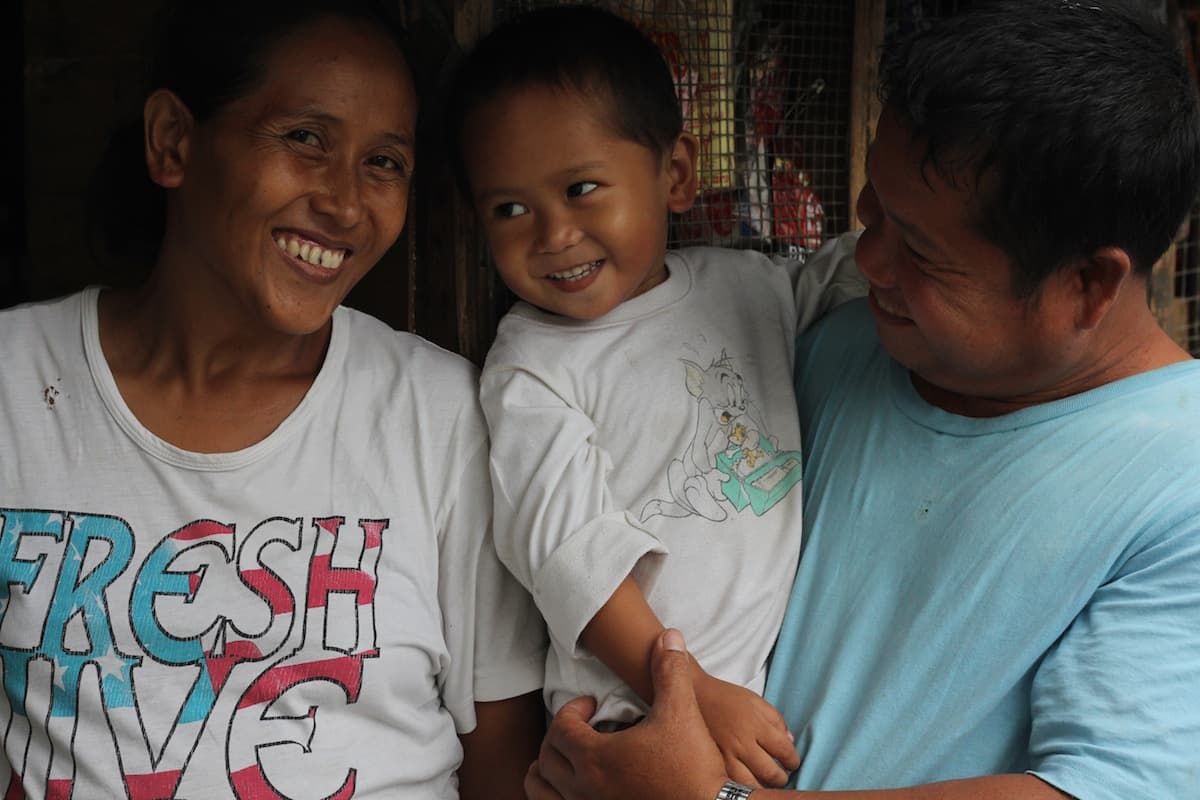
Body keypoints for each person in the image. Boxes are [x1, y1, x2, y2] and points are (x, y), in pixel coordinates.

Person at [524, 1, 1200, 799]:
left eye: (919, 249)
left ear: (1087, 284)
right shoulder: (842, 343)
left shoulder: (1177, 480)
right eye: (872, 210)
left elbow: (1107, 787)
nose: (868, 258)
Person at [0, 1, 546, 797]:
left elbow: (503, 759)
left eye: (384, 162)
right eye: (305, 139)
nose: (347, 203)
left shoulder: (440, 416)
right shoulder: (15, 385)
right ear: (174, 142)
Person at [446, 4, 864, 788]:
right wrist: (694, 693)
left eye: (580, 188)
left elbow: (843, 277)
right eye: (509, 209)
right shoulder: (532, 367)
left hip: (756, 703)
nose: (552, 233)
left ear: (675, 174)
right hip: (629, 716)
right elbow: (572, 559)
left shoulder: (746, 286)